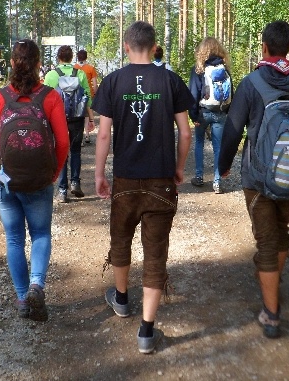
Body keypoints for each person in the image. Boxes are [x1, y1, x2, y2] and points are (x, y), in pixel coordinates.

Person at [93, 21, 193, 354]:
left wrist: (99, 174)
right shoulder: (170, 80)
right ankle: (147, 331)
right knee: (156, 250)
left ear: (126, 46)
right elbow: (186, 132)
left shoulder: (113, 81)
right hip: (160, 180)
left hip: (125, 177)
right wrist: (179, 168)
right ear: (153, 46)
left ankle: (121, 299)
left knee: (121, 238)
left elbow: (103, 134)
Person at [218, 20, 289, 338]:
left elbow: (233, 129)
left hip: (258, 177)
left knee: (265, 241)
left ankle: (272, 315)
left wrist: (223, 166)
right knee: (281, 231)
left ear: (264, 47)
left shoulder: (251, 84)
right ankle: (273, 278)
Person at [0, 39, 69, 321]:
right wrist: (54, 172)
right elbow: (64, 142)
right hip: (39, 180)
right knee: (40, 234)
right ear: (39, 64)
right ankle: (36, 285)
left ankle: (21, 299)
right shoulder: (50, 97)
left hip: (5, 181)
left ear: (13, 63)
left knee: (14, 238)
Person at [44, 45, 94, 202]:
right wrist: (91, 118)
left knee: (61, 152)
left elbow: (45, 99)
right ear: (72, 58)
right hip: (77, 118)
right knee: (76, 150)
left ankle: (62, 191)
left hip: (57, 119)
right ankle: (75, 183)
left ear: (58, 58)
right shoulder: (80, 73)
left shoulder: (51, 75)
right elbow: (87, 97)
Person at [188, 37, 232, 194]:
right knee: (218, 147)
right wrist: (226, 111)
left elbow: (193, 95)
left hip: (203, 113)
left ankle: (199, 176)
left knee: (199, 142)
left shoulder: (198, 69)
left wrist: (193, 116)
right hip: (220, 112)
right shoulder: (224, 69)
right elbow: (231, 92)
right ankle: (217, 181)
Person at [74, 49, 99, 145]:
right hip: (88, 94)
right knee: (87, 116)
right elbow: (95, 84)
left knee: (78, 116)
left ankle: (79, 138)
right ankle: (87, 135)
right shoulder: (90, 68)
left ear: (77, 57)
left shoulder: (74, 68)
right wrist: (96, 94)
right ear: (86, 57)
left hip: (76, 95)